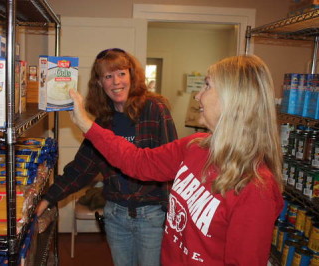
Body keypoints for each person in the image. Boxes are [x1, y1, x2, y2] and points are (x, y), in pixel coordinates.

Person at [68, 54, 284, 265]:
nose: (198, 96)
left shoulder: (257, 189)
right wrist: (86, 124)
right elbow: (137, 162)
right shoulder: (196, 146)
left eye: (207, 86)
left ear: (234, 99)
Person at [36, 48, 178, 266]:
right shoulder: (102, 122)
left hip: (151, 216)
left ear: (132, 75)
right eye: (108, 76)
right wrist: (48, 198)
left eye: (121, 73)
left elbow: (171, 164)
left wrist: (172, 213)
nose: (116, 81)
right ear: (100, 83)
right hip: (116, 215)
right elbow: (81, 169)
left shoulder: (155, 110)